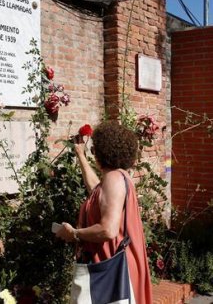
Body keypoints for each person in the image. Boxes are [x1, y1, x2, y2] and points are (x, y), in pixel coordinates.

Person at [55, 121, 152, 303]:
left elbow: (108, 230)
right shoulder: (117, 177)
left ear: (103, 152)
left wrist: (74, 234)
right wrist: (80, 155)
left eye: (94, 150)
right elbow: (96, 191)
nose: (94, 154)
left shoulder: (113, 179)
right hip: (115, 265)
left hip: (110, 267)